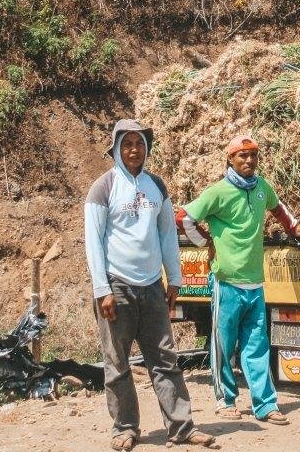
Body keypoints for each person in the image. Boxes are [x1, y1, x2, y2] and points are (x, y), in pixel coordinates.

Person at [84, 119, 217, 451]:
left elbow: (167, 235)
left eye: (140, 143)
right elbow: (93, 242)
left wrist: (174, 278)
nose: (134, 150)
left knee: (165, 360)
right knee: (117, 364)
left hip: (152, 287)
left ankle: (181, 427)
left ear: (147, 148)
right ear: (116, 148)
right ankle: (125, 429)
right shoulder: (103, 187)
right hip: (117, 286)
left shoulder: (157, 186)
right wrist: (102, 290)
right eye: (127, 144)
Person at [180, 135, 300, 426]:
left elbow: (279, 207)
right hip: (226, 283)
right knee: (224, 345)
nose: (249, 161)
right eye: (242, 156)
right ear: (230, 160)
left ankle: (265, 405)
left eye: (253, 156)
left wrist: (293, 227)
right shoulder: (218, 192)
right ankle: (226, 401)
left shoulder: (261, 187)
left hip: (255, 283)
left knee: (257, 347)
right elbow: (184, 218)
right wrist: (204, 242)